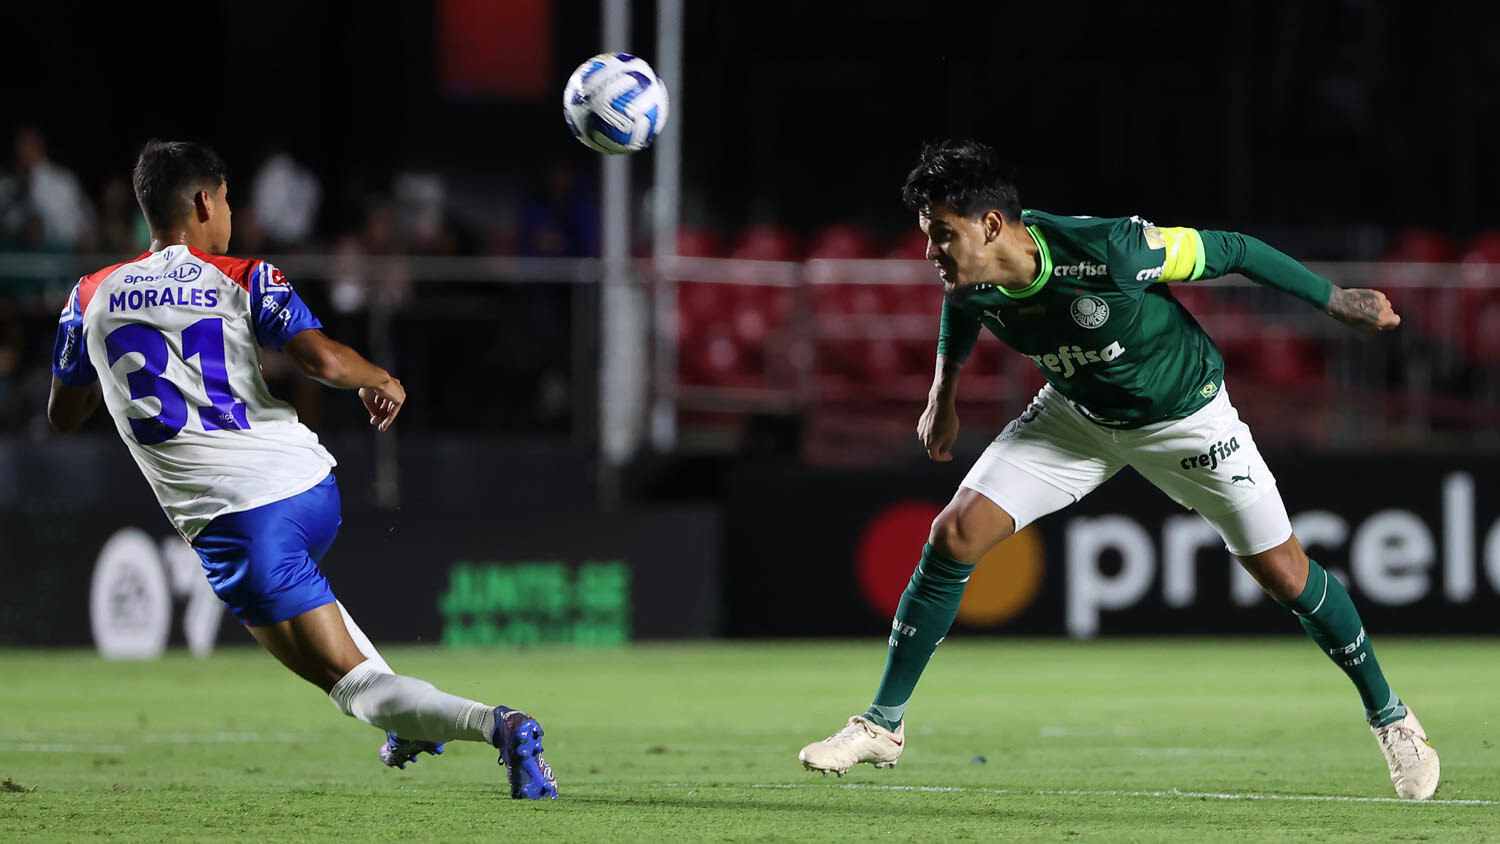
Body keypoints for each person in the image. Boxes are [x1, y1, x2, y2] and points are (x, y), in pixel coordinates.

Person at [796, 140, 1439, 801]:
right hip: (1075, 417)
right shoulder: (974, 276)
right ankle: (883, 723)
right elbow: (963, 305)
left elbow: (1237, 250)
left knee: (1286, 575)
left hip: (1187, 417)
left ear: (990, 226)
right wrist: (943, 393)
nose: (932, 252)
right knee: (953, 534)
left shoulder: (1116, 250)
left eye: (942, 235)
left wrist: (1333, 300)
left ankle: (1392, 718)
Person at [47, 140, 557, 800]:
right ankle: (408, 718)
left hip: (241, 525)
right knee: (325, 616)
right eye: (227, 199)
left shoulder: (89, 295)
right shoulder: (244, 274)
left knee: (357, 690)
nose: (228, 212)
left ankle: (500, 726)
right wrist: (383, 378)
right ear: (205, 200)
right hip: (310, 484)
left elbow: (65, 415)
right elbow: (322, 361)